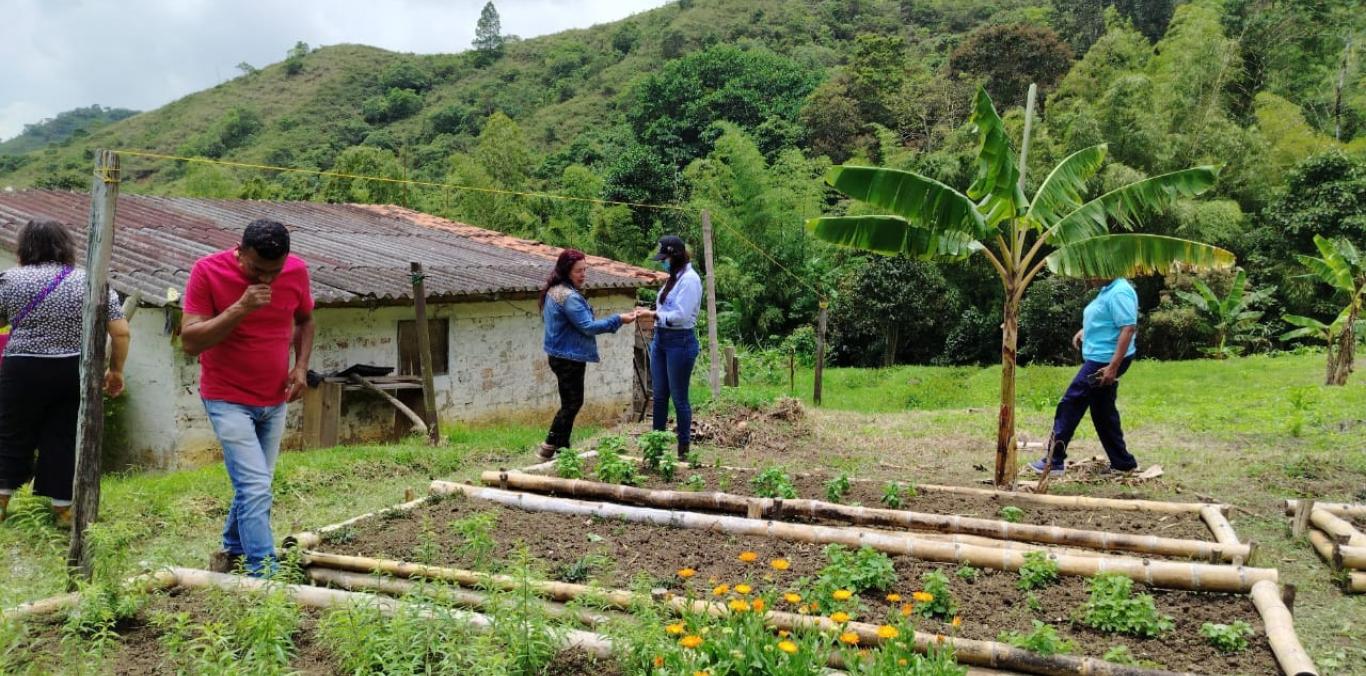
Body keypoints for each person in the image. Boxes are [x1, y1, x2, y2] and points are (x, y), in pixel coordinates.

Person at [181, 219, 314, 576]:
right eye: (257, 270)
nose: (267, 280)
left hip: (274, 399)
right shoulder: (207, 271)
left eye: (275, 271)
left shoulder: (297, 272)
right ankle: (263, 571)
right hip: (227, 398)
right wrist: (240, 307)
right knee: (255, 486)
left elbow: (305, 320)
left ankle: (234, 547)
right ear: (239, 252)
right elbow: (190, 341)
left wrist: (300, 367)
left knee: (256, 483)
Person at [0, 221, 129, 527]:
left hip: (21, 367)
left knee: (9, 433)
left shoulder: (9, 280)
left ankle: (2, 502)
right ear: (67, 246)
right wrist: (116, 371)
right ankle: (65, 511)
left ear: (24, 247)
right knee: (65, 435)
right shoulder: (90, 281)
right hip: (74, 369)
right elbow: (121, 332)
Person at [1028, 277, 1140, 476]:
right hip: (1101, 358)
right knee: (1103, 412)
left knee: (1071, 403)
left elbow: (1128, 328)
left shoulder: (1119, 292)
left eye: (1093, 272)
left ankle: (1054, 460)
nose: (1089, 277)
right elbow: (1106, 319)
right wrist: (1085, 331)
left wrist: (1113, 367)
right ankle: (1123, 463)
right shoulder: (1108, 289)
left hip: (1102, 362)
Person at [538, 250, 640, 459]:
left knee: (570, 403)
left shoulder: (554, 291)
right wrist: (618, 319)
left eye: (585, 270)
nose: (583, 274)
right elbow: (588, 326)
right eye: (578, 271)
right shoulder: (568, 297)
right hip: (569, 358)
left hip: (560, 355)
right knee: (572, 404)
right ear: (567, 271)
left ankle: (563, 448)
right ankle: (549, 445)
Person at [640, 235, 702, 460]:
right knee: (659, 396)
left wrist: (653, 314)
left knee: (679, 398)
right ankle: (655, 447)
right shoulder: (673, 277)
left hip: (680, 342)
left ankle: (683, 449)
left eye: (665, 258)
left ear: (675, 257)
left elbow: (680, 315)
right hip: (662, 340)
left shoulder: (690, 280)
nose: (663, 262)